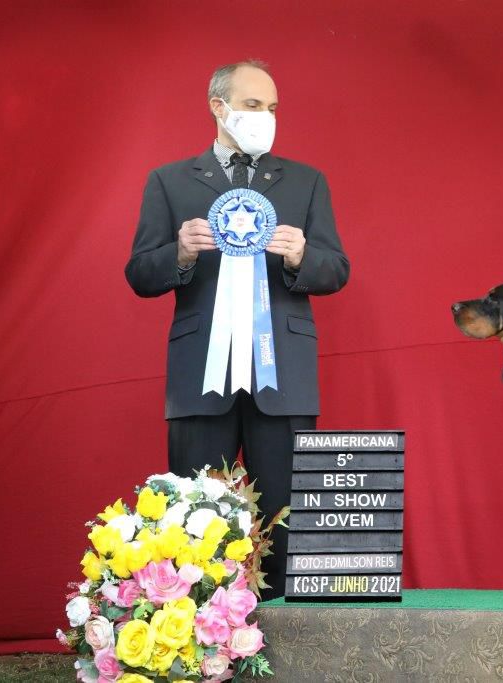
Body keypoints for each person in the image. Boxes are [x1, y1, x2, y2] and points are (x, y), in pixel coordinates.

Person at [125, 60, 349, 599]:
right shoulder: (169, 181)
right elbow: (139, 273)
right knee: (193, 526)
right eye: (253, 106)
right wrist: (178, 252)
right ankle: (203, 646)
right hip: (200, 376)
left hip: (284, 375)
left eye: (272, 108)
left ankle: (294, 652)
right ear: (218, 107)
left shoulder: (306, 181)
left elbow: (337, 269)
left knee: (290, 523)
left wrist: (303, 257)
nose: (265, 117)